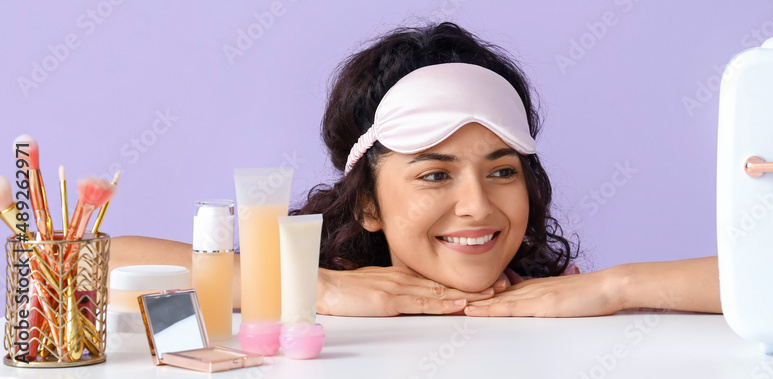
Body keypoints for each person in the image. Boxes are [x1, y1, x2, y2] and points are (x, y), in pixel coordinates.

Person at [111, 22, 721, 317]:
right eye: (434, 174)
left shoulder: (557, 294)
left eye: (503, 171)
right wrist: (314, 289)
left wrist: (615, 287)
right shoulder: (311, 294)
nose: (478, 206)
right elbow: (92, 259)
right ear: (369, 204)